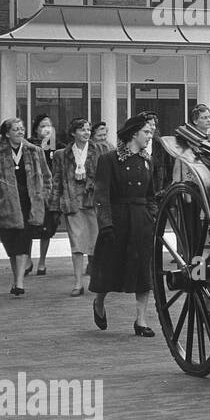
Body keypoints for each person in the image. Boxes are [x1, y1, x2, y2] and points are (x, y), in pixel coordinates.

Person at [90, 113, 159, 336]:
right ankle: (99, 302)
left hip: (141, 222)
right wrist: (106, 224)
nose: (151, 136)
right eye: (147, 132)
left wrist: (153, 216)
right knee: (109, 269)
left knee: (143, 272)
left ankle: (141, 320)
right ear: (134, 133)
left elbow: (151, 195)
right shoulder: (109, 159)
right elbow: (101, 195)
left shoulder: (148, 161)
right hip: (117, 221)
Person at [49, 118, 109, 296]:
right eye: (82, 130)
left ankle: (97, 280)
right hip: (72, 203)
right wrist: (54, 207)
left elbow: (106, 178)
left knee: (96, 244)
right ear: (73, 132)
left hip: (94, 202)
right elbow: (57, 180)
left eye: (88, 129)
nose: (86, 132)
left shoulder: (101, 150)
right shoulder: (62, 154)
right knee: (77, 245)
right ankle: (77, 283)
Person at [1, 117, 50, 296]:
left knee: (23, 241)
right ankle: (16, 279)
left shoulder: (35, 151)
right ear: (7, 133)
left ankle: (20, 282)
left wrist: (43, 196)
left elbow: (47, 176)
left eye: (22, 129)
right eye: (16, 129)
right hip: (6, 205)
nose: (20, 132)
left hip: (28, 203)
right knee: (11, 245)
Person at [28, 113, 62, 276]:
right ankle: (27, 260)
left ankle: (42, 262)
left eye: (49, 125)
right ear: (36, 129)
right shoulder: (28, 145)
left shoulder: (58, 146)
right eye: (42, 126)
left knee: (48, 229)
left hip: (50, 193)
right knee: (28, 227)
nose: (46, 129)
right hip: (32, 192)